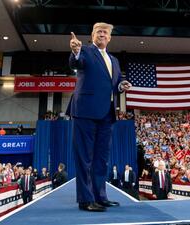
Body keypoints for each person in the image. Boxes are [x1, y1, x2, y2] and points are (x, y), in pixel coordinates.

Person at [67, 22, 132, 212]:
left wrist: (122, 85)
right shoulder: (85, 51)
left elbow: (116, 82)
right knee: (84, 157)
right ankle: (86, 200)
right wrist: (75, 51)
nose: (102, 34)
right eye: (99, 31)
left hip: (107, 113)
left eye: (105, 32)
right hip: (85, 111)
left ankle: (100, 196)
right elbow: (76, 62)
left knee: (101, 159)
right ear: (92, 35)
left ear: (110, 37)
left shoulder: (114, 60)